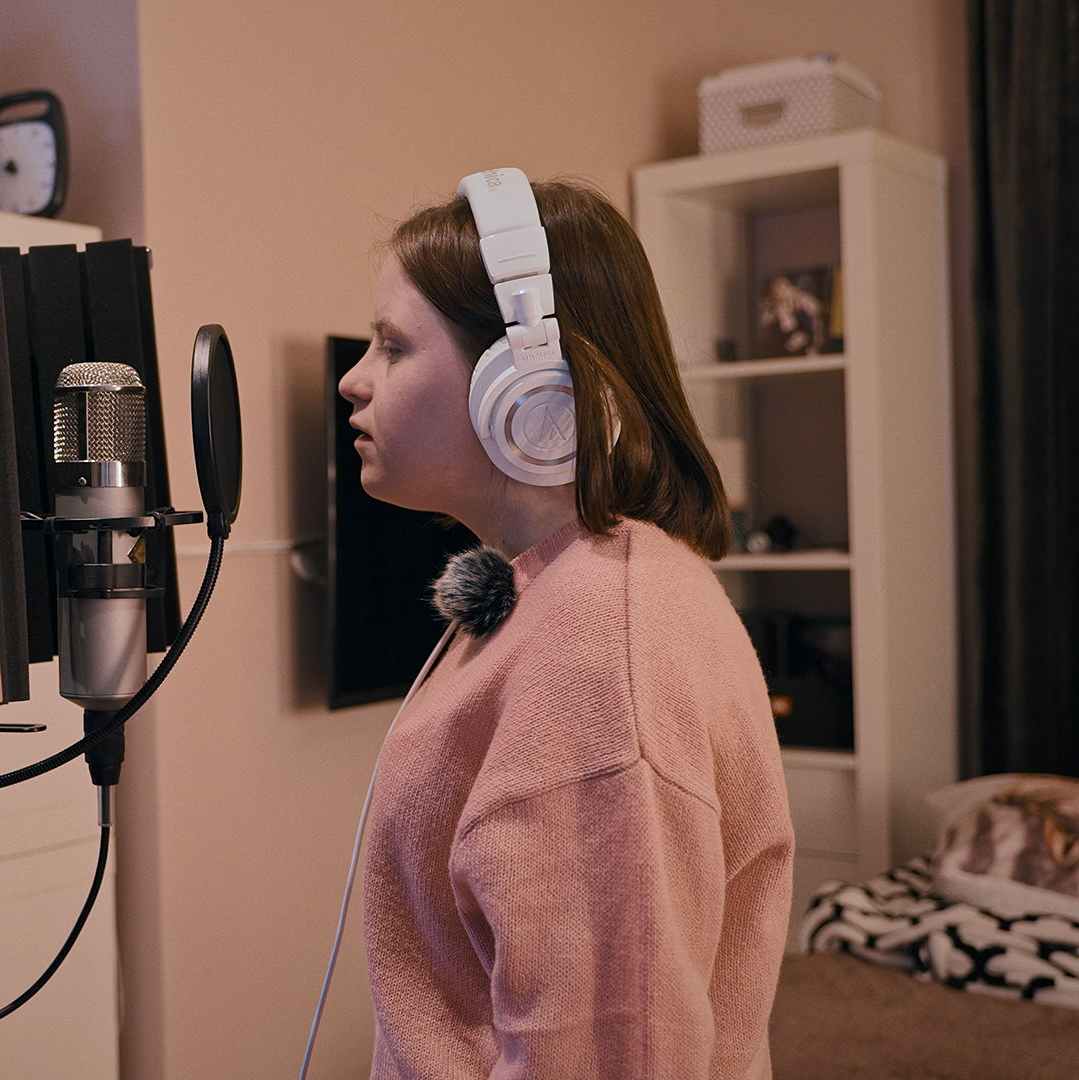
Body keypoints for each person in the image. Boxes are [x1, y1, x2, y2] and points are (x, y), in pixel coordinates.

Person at [338, 173, 793, 1079]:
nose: (354, 379)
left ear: (529, 391)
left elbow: (616, 1051)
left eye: (394, 346)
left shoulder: (599, 647)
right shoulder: (547, 594)